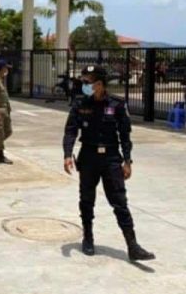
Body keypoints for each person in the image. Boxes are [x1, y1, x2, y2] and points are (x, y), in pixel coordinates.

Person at [63, 65, 155, 261]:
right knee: (86, 200)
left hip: (111, 158)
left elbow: (125, 135)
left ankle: (133, 246)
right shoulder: (80, 103)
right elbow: (71, 130)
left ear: (99, 84)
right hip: (88, 158)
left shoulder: (117, 104)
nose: (84, 85)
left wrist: (127, 161)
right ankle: (88, 238)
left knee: (120, 202)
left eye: (87, 82)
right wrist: (67, 154)